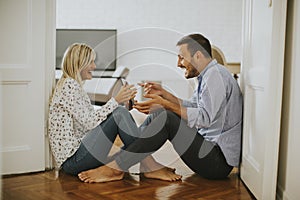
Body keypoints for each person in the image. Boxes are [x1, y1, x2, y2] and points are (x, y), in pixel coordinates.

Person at [78, 33, 243, 183]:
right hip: (208, 152)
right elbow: (193, 106)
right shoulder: (208, 75)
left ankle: (116, 168)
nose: (179, 63)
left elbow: (204, 119)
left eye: (181, 57)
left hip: (216, 161)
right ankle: (145, 165)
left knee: (167, 117)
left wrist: (165, 104)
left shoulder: (216, 76)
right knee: (162, 114)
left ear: (197, 55)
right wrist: (166, 95)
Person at [48, 43, 182, 183]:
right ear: (80, 63)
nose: (94, 66)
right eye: (91, 62)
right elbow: (89, 123)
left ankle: (145, 164)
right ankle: (149, 166)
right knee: (119, 113)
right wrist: (115, 102)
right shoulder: (69, 85)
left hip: (80, 153)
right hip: (73, 160)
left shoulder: (73, 85)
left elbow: (88, 120)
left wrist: (122, 106)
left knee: (149, 119)